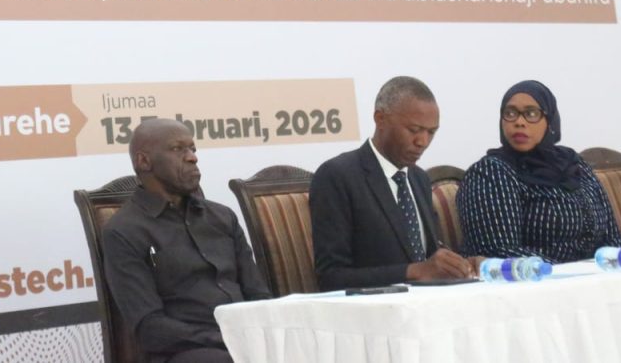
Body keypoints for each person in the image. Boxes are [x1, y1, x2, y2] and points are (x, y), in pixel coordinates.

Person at [102, 118, 270, 363]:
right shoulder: (124, 231)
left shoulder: (222, 217)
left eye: (192, 149)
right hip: (185, 351)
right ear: (144, 161)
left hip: (244, 339)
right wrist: (224, 339)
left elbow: (258, 295)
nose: (192, 157)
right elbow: (150, 328)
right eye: (177, 149)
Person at [310, 76, 477, 291]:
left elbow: (429, 258)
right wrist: (413, 272)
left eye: (431, 132)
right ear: (380, 119)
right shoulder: (338, 176)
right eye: (414, 130)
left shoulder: (419, 179)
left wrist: (459, 266)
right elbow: (331, 277)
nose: (423, 142)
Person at [457, 80, 621, 262]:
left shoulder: (573, 164)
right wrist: (567, 273)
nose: (519, 122)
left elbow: (613, 239)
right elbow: (499, 252)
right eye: (510, 113)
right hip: (538, 277)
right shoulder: (490, 173)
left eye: (531, 113)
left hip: (596, 275)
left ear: (550, 120)